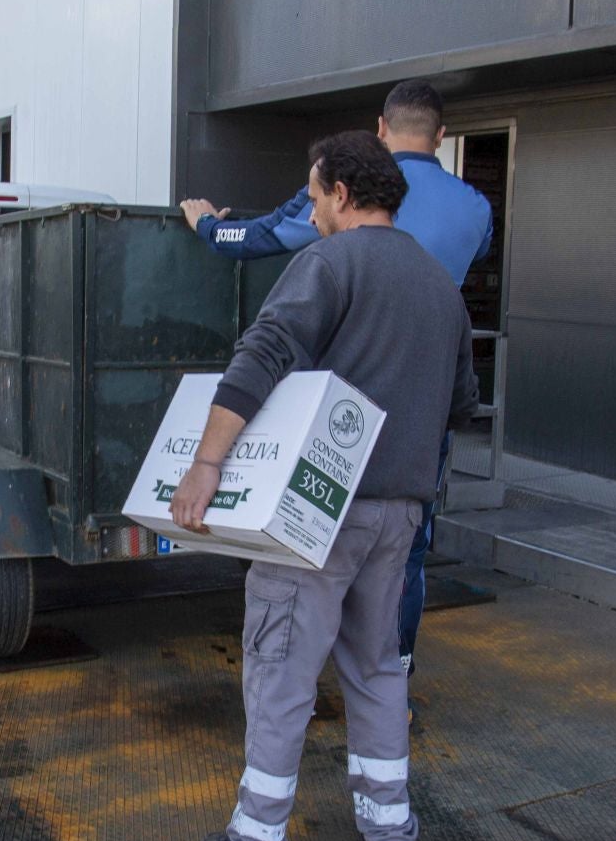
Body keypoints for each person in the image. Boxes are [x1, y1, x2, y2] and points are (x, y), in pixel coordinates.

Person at [172, 130, 477, 841]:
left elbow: (265, 352)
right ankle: (391, 838)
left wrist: (205, 464)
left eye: (312, 198)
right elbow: (462, 405)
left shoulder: (329, 263)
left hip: (317, 512)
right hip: (401, 518)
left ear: (343, 193)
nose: (310, 213)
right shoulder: (441, 287)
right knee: (379, 672)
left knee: (280, 675)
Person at [178, 79, 491, 677]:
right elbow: (463, 395)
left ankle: (297, 690)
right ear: (442, 136)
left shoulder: (334, 221)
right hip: (419, 433)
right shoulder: (473, 209)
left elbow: (260, 238)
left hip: (338, 433)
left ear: (380, 128)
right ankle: (393, 667)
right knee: (406, 564)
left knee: (305, 580)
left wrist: (210, 229)